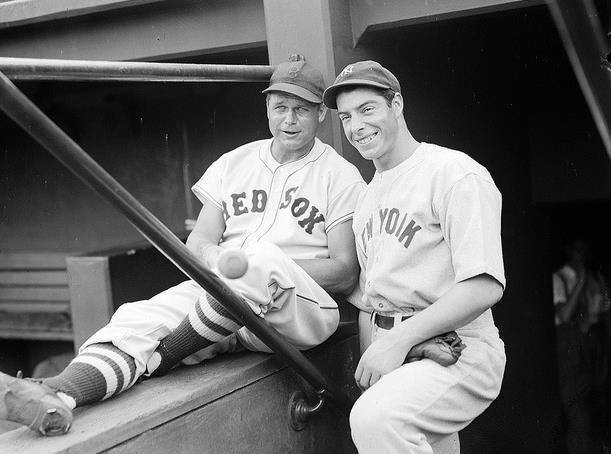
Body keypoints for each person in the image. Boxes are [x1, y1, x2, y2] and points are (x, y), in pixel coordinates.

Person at [0, 55, 366, 436]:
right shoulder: (235, 162)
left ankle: (166, 357)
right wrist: (220, 263)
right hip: (224, 303)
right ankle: (53, 395)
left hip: (297, 309)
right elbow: (200, 240)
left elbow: (344, 271)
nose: (289, 120)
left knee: (262, 259)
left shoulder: (340, 176)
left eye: (302, 110)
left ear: (321, 113)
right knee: (136, 318)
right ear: (267, 108)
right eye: (281, 108)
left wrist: (265, 267)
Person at [322, 60, 507, 453]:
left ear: (397, 105)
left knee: (377, 419)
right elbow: (373, 299)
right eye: (346, 117)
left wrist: (396, 343)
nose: (356, 126)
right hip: (398, 348)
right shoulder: (368, 196)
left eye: (367, 109)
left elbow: (484, 286)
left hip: (458, 346)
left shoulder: (453, 172)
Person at [553, 238, 609, 454]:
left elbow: (602, 310)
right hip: (569, 349)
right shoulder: (560, 278)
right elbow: (564, 315)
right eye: (578, 249)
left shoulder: (595, 278)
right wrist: (582, 281)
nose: (582, 255)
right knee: (578, 415)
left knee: (596, 408)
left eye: (585, 250)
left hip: (591, 344)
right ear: (570, 251)